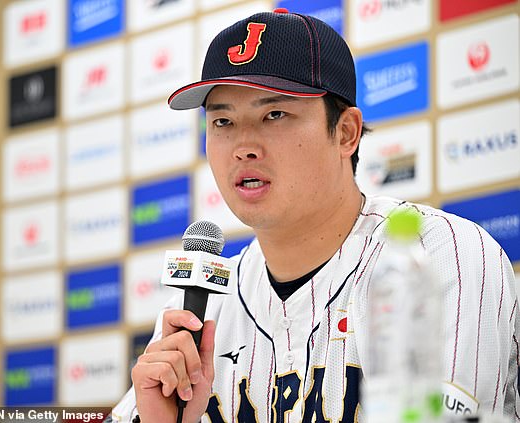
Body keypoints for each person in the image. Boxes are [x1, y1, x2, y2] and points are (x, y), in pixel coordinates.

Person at [109, 8, 519, 423]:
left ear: (346, 133)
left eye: (274, 115)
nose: (243, 146)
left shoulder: (439, 257)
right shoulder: (199, 313)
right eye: (223, 121)